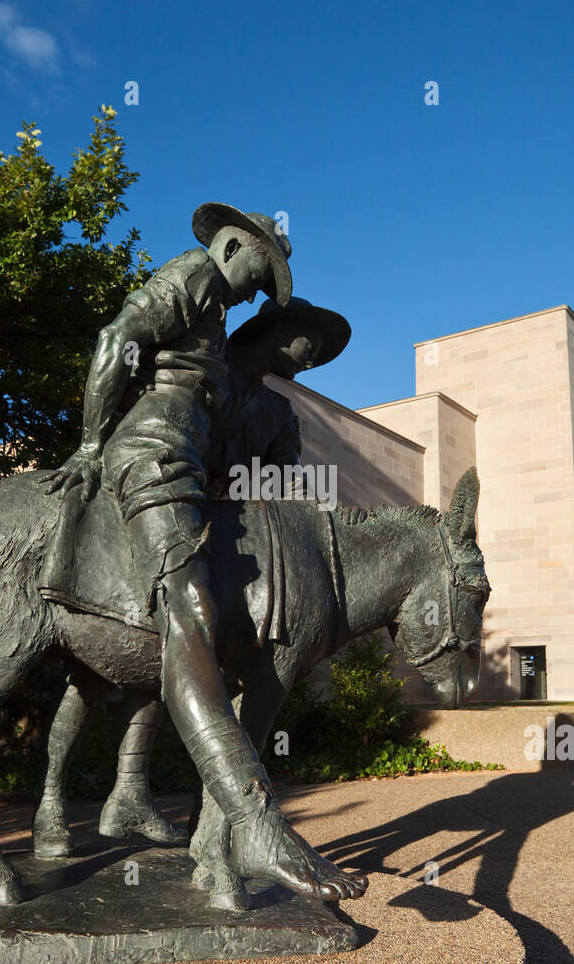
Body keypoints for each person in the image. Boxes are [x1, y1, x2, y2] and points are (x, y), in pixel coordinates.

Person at [42, 207, 364, 902]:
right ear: (233, 247)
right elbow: (121, 344)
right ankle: (246, 821)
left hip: (201, 498)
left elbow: (274, 484)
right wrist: (93, 445)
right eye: (264, 275)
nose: (260, 291)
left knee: (186, 639)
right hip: (159, 468)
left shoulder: (252, 378)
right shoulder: (196, 286)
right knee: (171, 629)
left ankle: (153, 805)